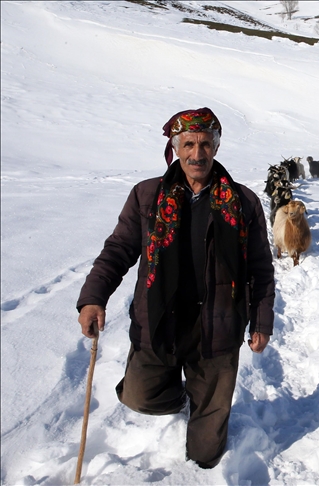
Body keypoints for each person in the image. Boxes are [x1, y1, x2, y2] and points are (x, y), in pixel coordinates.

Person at [76, 107, 275, 468]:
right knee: (139, 396)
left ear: (216, 147)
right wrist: (93, 297)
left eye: (205, 144)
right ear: (176, 146)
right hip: (160, 320)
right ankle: (183, 399)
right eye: (188, 144)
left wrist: (261, 321)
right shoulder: (147, 196)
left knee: (206, 452)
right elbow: (118, 250)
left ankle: (204, 457)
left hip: (218, 328)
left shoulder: (243, 202)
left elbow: (260, 267)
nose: (197, 154)